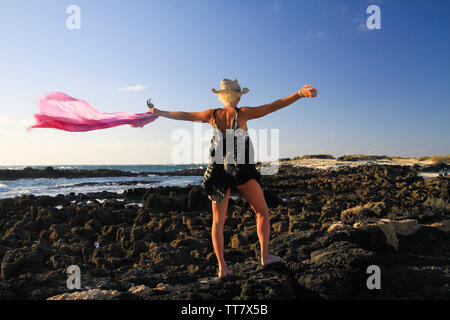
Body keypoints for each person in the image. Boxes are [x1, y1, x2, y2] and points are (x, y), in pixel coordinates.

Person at [147, 79, 318, 278]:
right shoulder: (242, 113)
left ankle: (223, 268)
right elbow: (273, 106)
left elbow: (185, 115)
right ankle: (265, 256)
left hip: (218, 172)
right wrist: (298, 94)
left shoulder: (212, 115)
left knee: (218, 223)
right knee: (262, 212)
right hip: (242, 170)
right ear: (237, 96)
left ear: (222, 96)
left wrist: (158, 112)